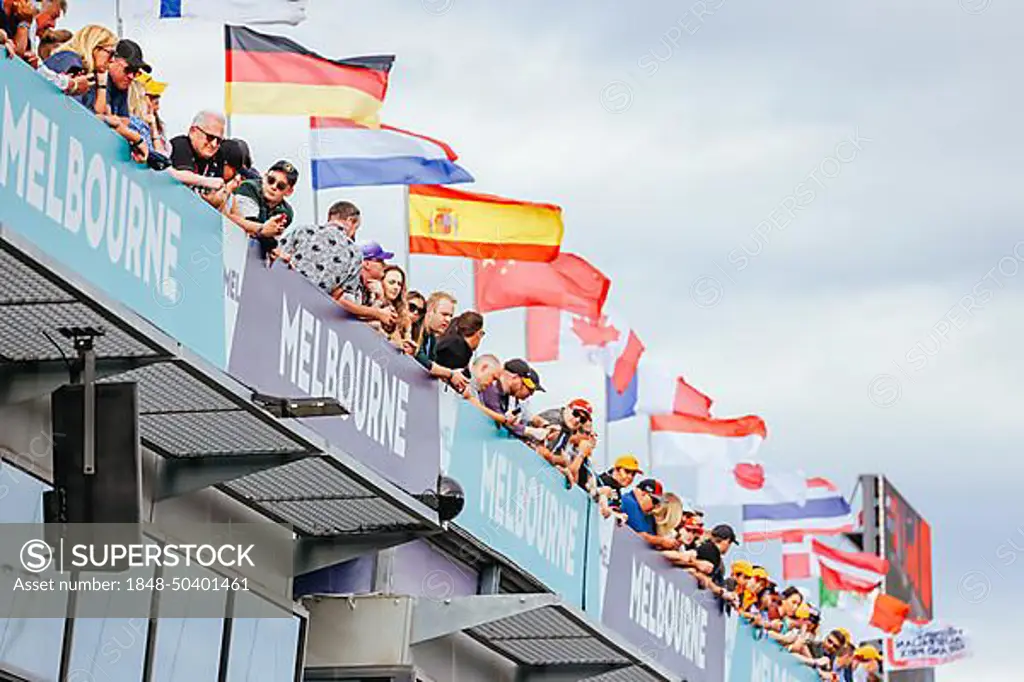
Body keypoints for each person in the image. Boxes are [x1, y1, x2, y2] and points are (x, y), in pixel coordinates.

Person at [230, 160, 297, 255]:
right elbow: (249, 228)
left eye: (281, 186)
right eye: (271, 180)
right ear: (264, 177)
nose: (273, 187)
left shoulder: (286, 212)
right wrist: (272, 245)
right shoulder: (249, 187)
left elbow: (272, 238)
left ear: (289, 191)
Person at [38, 24, 116, 97]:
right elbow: (72, 107)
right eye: (111, 53)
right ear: (94, 48)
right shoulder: (71, 61)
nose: (112, 60)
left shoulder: (82, 67)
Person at [477, 359, 545, 436]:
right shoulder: (492, 388)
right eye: (522, 383)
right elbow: (500, 419)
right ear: (515, 378)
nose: (531, 394)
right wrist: (529, 431)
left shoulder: (506, 395)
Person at [169, 110, 226, 192]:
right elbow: (183, 177)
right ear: (193, 131)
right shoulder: (180, 144)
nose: (214, 144)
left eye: (219, 140)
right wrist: (208, 182)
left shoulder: (218, 156)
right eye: (210, 137)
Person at [369, 264, 412, 345]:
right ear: (381, 282)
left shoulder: (404, 315)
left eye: (399, 284)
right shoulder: (369, 301)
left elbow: (401, 344)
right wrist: (380, 299)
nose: (396, 287)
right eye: (392, 282)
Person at [135, 72, 169, 155]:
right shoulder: (134, 125)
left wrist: (153, 126)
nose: (157, 108)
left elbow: (163, 156)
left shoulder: (158, 125)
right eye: (155, 101)